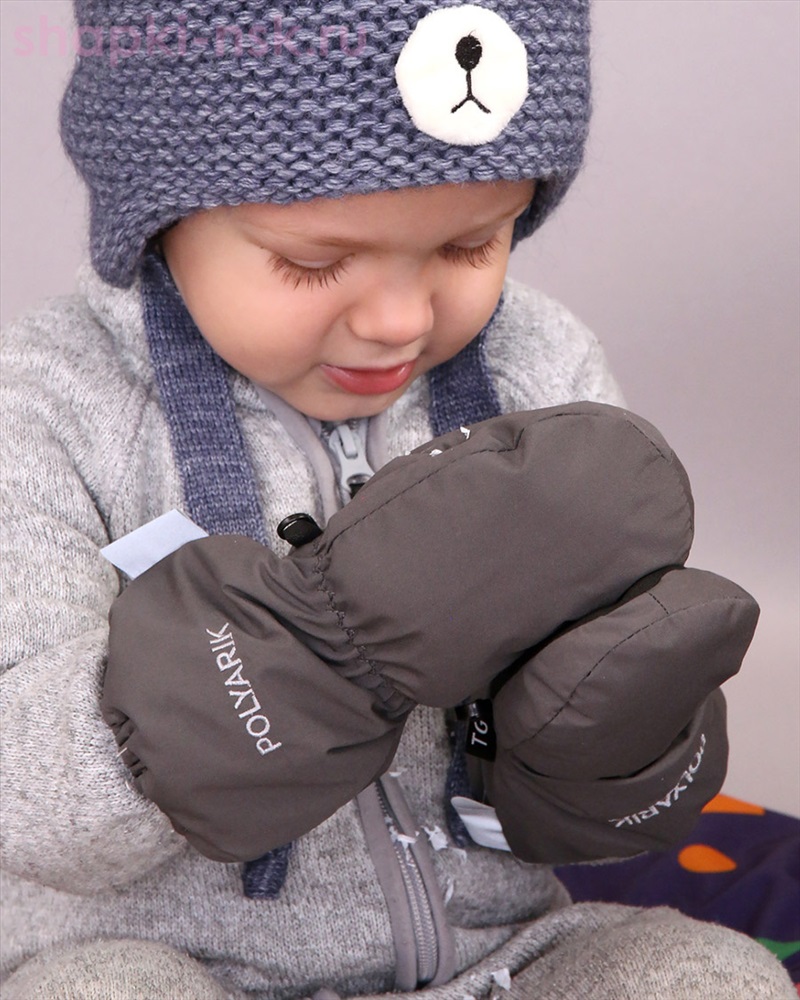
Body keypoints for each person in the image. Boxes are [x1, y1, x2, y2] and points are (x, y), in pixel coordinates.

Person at [0, 1, 794, 998]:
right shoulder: (46, 405)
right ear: (158, 213)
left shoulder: (539, 361)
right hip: (179, 964)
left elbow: (595, 781)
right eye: (314, 262)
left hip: (492, 954)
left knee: (713, 981)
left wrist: (616, 741)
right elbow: (24, 802)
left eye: (471, 247)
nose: (398, 319)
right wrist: (316, 645)